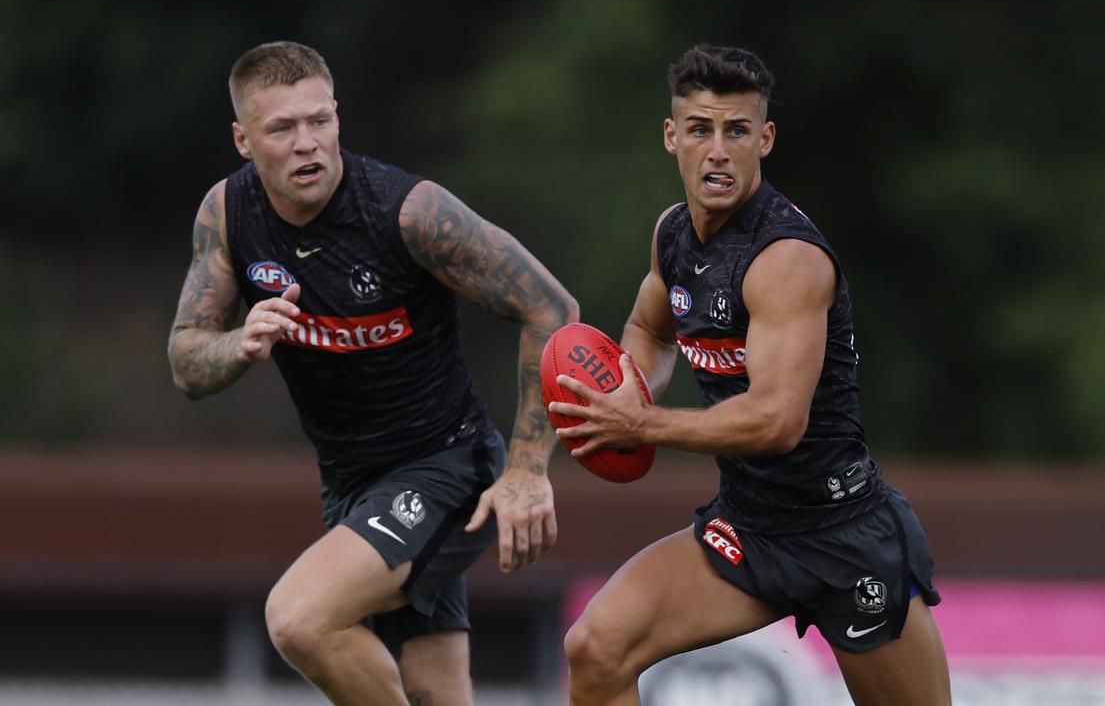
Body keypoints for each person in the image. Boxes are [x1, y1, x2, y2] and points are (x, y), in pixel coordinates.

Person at [166, 41, 577, 706]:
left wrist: (528, 468)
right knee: (435, 694)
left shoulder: (408, 211)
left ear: (338, 118)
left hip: (448, 468)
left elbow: (553, 310)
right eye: (282, 128)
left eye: (319, 121)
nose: (307, 144)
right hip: (351, 483)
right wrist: (240, 342)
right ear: (244, 140)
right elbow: (187, 357)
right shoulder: (228, 213)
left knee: (300, 619)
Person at [552, 45, 951, 705]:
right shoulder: (674, 234)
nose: (717, 150)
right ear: (671, 136)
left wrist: (643, 422)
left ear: (763, 140)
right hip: (747, 530)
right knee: (594, 649)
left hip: (842, 535)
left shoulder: (786, 258)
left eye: (736, 131)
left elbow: (776, 422)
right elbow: (652, 331)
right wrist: (634, 382)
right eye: (701, 129)